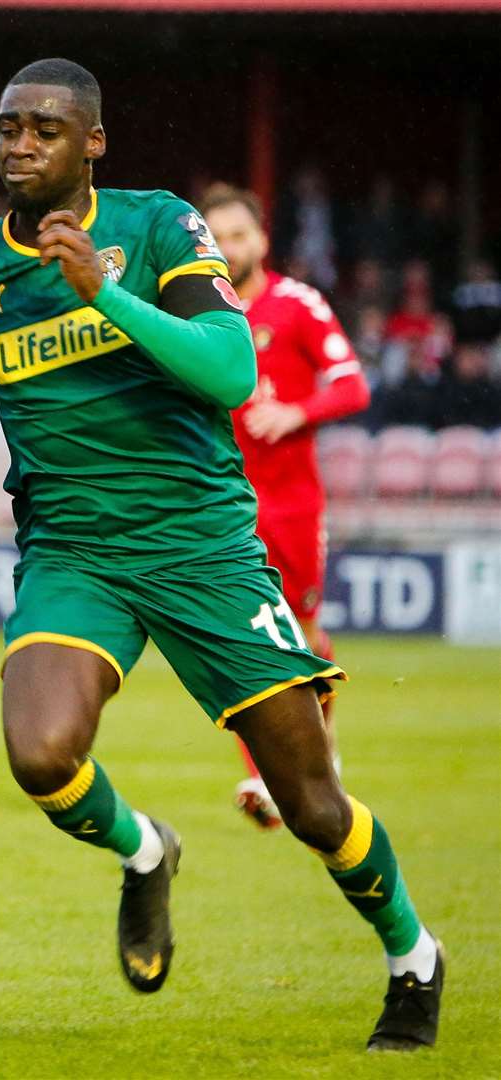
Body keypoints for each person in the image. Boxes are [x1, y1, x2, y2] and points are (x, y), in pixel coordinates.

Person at [0, 59, 444, 1051]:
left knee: (311, 806)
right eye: (8, 127)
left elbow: (231, 373)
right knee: (40, 755)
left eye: (45, 129)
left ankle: (412, 954)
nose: (20, 145)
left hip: (200, 546)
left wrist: (105, 294)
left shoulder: (157, 229)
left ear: (92, 142)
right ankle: (145, 850)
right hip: (71, 554)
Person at [201, 184, 371, 828]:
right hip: (220, 505)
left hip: (291, 504)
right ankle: (263, 774)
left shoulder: (297, 305)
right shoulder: (191, 312)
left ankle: (317, 758)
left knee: (298, 638)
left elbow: (353, 385)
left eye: (239, 235)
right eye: (215, 237)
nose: (228, 248)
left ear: (262, 240)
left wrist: (297, 411)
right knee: (239, 639)